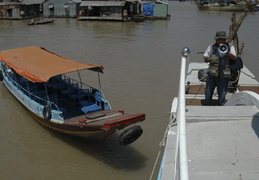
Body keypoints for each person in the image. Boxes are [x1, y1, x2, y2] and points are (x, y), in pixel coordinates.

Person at [203, 31, 237, 106]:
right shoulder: (211, 46)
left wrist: (227, 52)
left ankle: (221, 109)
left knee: (222, 96)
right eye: (220, 39)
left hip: (224, 76)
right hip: (212, 74)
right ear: (216, 40)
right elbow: (205, 57)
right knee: (208, 94)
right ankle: (206, 108)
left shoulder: (230, 46)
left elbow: (234, 58)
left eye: (223, 39)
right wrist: (207, 59)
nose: (222, 41)